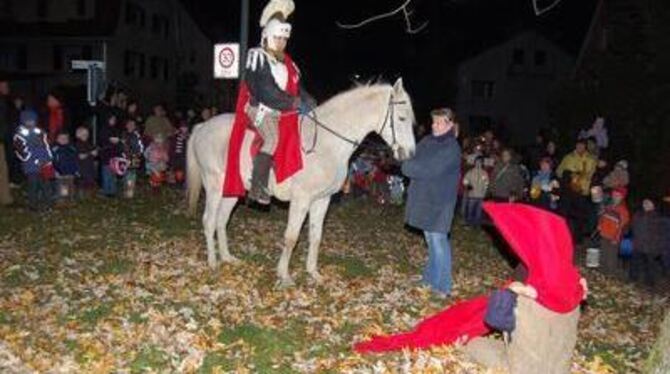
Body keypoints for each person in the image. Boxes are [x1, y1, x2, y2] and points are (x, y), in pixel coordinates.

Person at [242, 0, 315, 204]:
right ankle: (257, 186)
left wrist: (310, 101)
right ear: (267, 36)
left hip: (282, 109)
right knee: (272, 139)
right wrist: (294, 103)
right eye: (278, 38)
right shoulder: (258, 57)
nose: (282, 42)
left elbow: (297, 87)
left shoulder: (288, 63)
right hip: (260, 109)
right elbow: (267, 92)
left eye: (284, 39)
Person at [402, 108, 461, 297]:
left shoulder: (451, 148)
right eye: (433, 122)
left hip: (441, 202)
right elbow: (413, 156)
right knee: (430, 240)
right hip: (425, 198)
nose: (435, 125)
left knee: (438, 241)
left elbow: (429, 169)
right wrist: (401, 155)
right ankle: (429, 278)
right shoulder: (427, 141)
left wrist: (405, 166)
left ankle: (443, 286)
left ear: (450, 124)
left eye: (439, 122)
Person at [13, 109, 54, 211]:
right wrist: (33, 159)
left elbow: (46, 145)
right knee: (33, 185)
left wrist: (48, 158)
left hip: (44, 164)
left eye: (32, 120)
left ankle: (48, 204)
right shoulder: (20, 134)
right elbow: (21, 151)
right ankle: (33, 205)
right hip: (31, 166)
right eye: (28, 120)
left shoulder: (40, 132)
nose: (30, 122)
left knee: (46, 185)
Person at [630, 199, 667, 288]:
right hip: (638, 244)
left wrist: (660, 247)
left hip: (652, 246)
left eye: (648, 203)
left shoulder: (659, 217)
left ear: (653, 205)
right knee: (635, 264)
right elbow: (632, 227)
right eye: (644, 203)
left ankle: (649, 284)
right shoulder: (638, 214)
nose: (645, 204)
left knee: (650, 266)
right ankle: (633, 280)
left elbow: (663, 234)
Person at [597, 187, 630, 277]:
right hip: (604, 233)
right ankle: (602, 271)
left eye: (618, 195)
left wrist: (616, 238)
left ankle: (610, 274)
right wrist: (600, 225)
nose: (615, 196)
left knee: (611, 256)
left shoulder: (623, 210)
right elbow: (603, 216)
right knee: (603, 253)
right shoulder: (609, 206)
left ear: (622, 197)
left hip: (613, 236)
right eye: (614, 194)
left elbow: (622, 226)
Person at [51, 132, 79, 202]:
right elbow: (53, 161)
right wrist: (55, 170)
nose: (63, 140)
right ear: (57, 139)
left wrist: (76, 170)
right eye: (61, 138)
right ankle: (62, 199)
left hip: (70, 172)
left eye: (65, 138)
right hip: (60, 172)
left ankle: (71, 198)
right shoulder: (55, 150)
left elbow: (75, 160)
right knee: (63, 186)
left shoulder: (71, 149)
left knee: (71, 185)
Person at [99, 127, 126, 197]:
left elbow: (121, 153)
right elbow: (102, 153)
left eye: (116, 138)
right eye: (113, 138)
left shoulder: (119, 146)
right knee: (106, 178)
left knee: (113, 178)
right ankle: (106, 191)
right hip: (106, 164)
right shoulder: (106, 145)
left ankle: (113, 191)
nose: (114, 140)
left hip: (115, 165)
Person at [462, 157, 489, 225]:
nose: (478, 163)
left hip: (481, 196)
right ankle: (468, 222)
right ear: (474, 163)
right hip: (472, 195)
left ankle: (476, 223)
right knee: (470, 209)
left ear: (482, 163)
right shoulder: (470, 172)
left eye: (480, 162)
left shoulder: (484, 173)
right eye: (477, 162)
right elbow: (465, 180)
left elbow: (486, 183)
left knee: (478, 211)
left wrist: (485, 192)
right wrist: (467, 185)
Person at [122, 119, 144, 198]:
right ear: (126, 125)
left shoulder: (136, 134)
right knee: (125, 173)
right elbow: (121, 145)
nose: (131, 126)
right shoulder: (123, 134)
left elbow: (141, 146)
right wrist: (122, 154)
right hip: (124, 157)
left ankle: (130, 192)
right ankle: (126, 190)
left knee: (132, 173)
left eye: (133, 124)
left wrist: (138, 154)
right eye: (129, 124)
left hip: (134, 157)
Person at [0, 78, 13, 205]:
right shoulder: (2, 101)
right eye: (4, 85)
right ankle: (5, 198)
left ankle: (5, 198)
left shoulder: (6, 101)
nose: (6, 88)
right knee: (2, 169)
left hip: (3, 139)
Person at [74, 126, 97, 197]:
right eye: (83, 134)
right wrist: (90, 153)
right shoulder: (77, 144)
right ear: (78, 135)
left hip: (90, 168)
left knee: (90, 186)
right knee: (81, 187)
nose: (86, 136)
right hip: (82, 169)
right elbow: (80, 156)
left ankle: (88, 200)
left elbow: (95, 153)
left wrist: (95, 152)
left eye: (87, 134)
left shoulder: (88, 143)